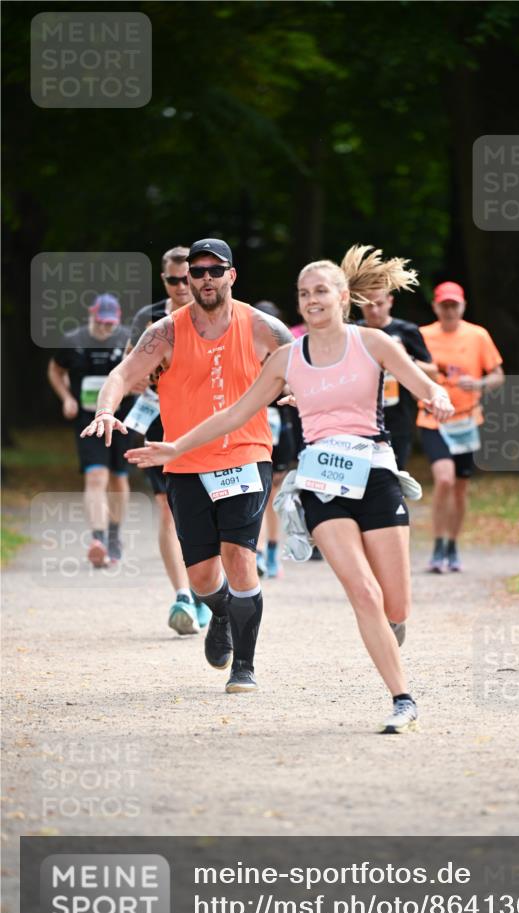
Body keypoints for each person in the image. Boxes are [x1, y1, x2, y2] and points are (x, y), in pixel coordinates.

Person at [124, 246, 455, 733]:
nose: (311, 300)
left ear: (343, 297)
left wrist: (439, 396)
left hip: (375, 473)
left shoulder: (374, 343)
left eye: (320, 291)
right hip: (321, 480)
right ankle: (402, 699)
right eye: (303, 293)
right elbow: (233, 413)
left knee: (395, 604)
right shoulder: (287, 357)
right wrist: (175, 447)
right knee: (362, 592)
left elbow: (421, 383)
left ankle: (392, 628)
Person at [81, 238, 293, 692]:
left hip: (246, 454)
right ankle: (222, 612)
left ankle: (244, 666)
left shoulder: (262, 327)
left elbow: (306, 365)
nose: (205, 278)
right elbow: (122, 374)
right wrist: (105, 410)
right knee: (201, 578)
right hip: (184, 461)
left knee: (239, 557)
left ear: (232, 275)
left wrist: (305, 396)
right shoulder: (166, 332)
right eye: (197, 271)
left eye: (215, 270)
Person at [129, 245, 212, 636]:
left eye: (186, 278)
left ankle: (205, 589)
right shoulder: (149, 319)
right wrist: (140, 378)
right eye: (174, 280)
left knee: (210, 508)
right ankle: (182, 595)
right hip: (160, 424)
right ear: (164, 280)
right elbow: (129, 366)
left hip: (205, 422)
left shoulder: (211, 313)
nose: (181, 286)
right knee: (167, 508)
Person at [418, 281, 504, 573]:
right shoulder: (423, 335)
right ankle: (437, 545)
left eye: (454, 305)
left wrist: (478, 383)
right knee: (444, 479)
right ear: (435, 307)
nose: (449, 310)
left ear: (463, 306)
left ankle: (452, 545)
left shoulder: (478, 335)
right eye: (444, 305)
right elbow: (409, 368)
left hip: (467, 419)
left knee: (460, 488)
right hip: (433, 418)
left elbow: (498, 375)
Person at [48, 293, 134, 567]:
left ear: (117, 321)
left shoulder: (128, 340)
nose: (105, 328)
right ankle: (98, 539)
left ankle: (114, 536)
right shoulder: (73, 342)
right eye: (100, 322)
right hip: (88, 420)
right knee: (96, 476)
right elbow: (55, 370)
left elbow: (143, 372)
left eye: (110, 324)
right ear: (91, 316)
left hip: (122, 419)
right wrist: (67, 398)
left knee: (118, 478)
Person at [358, 288, 433, 470]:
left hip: (398, 418)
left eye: (379, 304)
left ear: (390, 301)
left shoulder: (406, 330)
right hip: (360, 418)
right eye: (368, 305)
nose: (374, 310)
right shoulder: (353, 331)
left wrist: (404, 357)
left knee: (394, 474)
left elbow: (433, 371)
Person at [253, 301, 298, 579]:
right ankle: (257, 550)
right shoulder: (244, 350)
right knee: (254, 492)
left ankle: (270, 550)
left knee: (271, 494)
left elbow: (297, 386)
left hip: (279, 428)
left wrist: (282, 383)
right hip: (249, 426)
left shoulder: (287, 352)